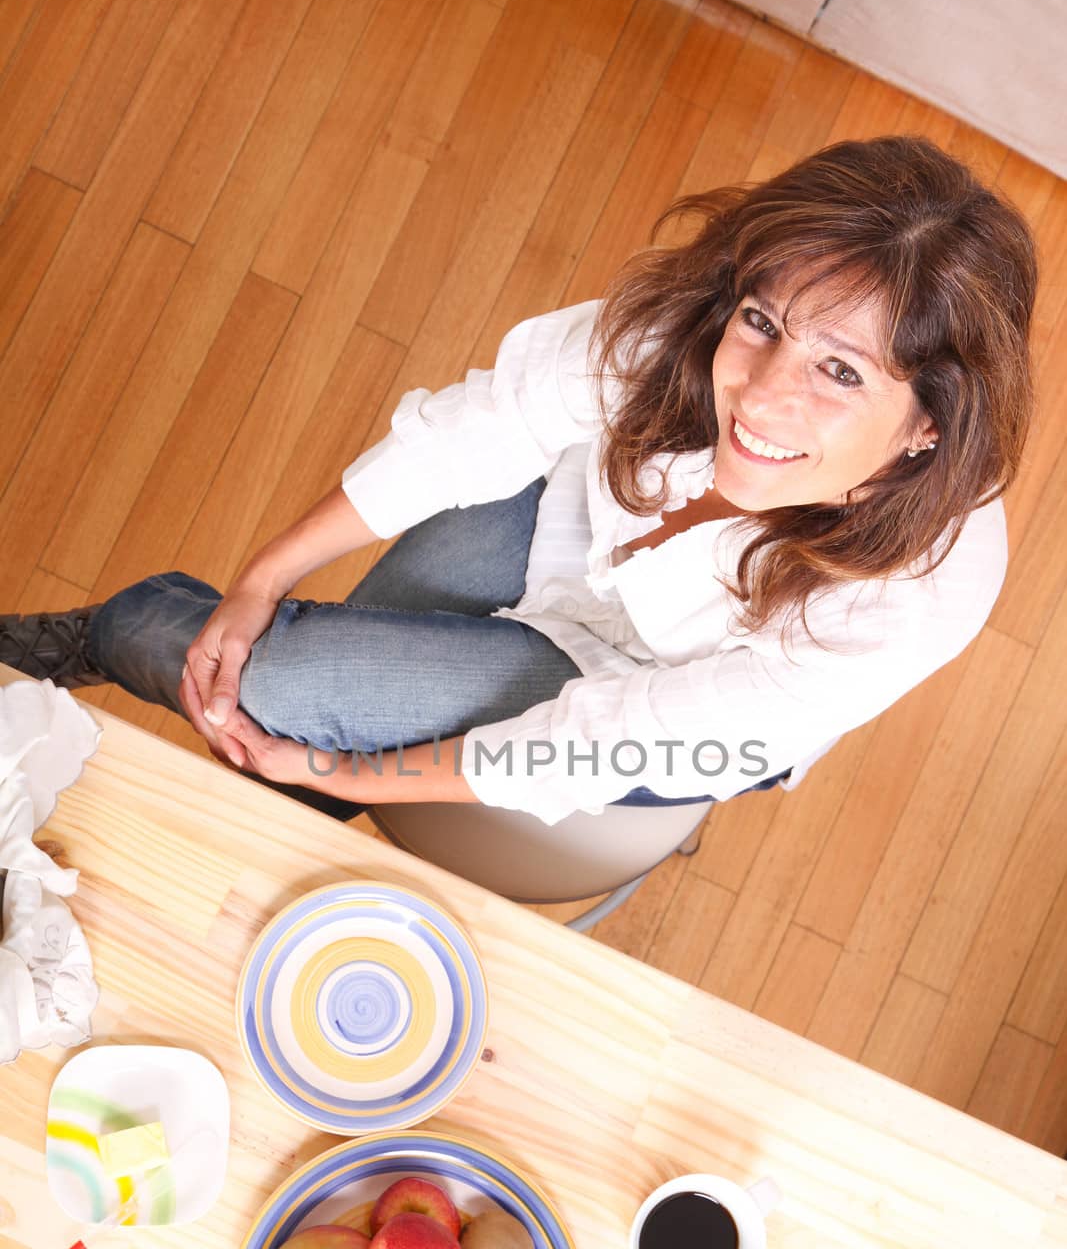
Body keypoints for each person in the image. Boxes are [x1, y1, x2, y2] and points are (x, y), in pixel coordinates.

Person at [0, 136, 1036, 828]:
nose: (758, 397)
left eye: (840, 372)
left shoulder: (909, 599)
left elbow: (624, 735)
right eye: (761, 323)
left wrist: (340, 771)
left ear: (925, 426)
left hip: (652, 699)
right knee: (282, 682)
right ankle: (258, 773)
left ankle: (125, 647)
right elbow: (480, 428)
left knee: (264, 692)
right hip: (566, 533)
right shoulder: (674, 326)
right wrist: (265, 574)